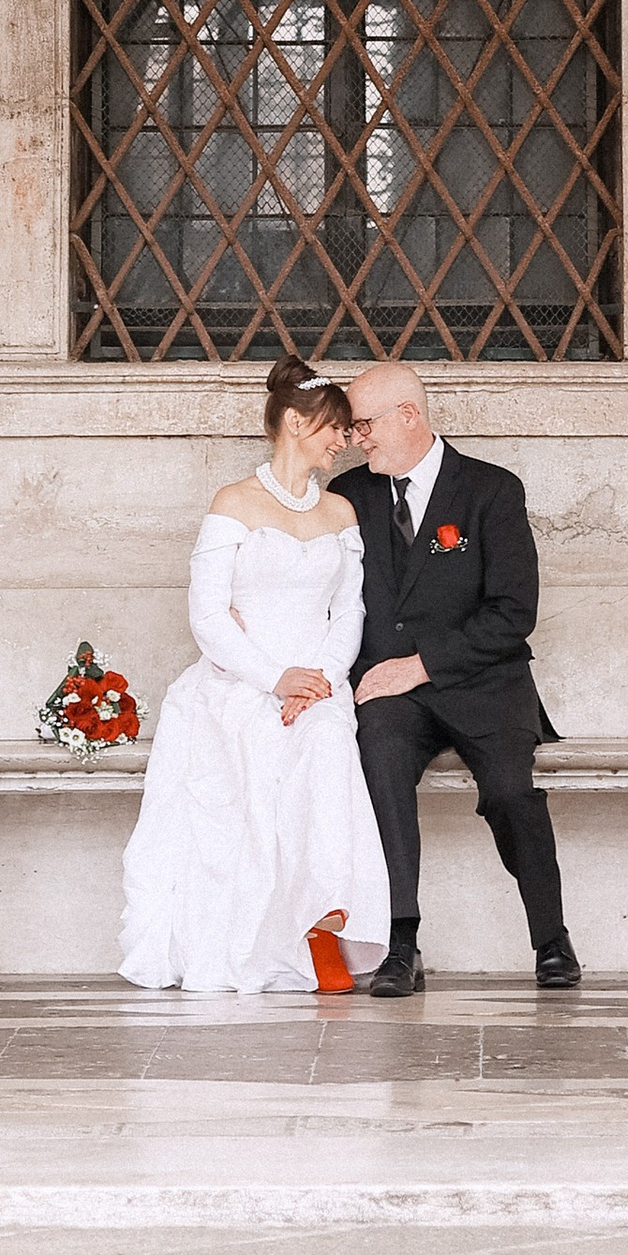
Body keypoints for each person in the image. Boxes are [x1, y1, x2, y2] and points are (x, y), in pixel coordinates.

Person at [119, 357, 392, 995]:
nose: (345, 440)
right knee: (251, 746)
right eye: (335, 428)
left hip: (316, 687)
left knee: (324, 741)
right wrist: (275, 679)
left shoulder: (342, 513)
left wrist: (318, 680)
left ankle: (320, 925)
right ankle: (246, 933)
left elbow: (348, 611)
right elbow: (208, 617)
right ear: (296, 423)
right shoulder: (233, 503)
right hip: (241, 678)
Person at [336, 361, 580, 997]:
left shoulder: (491, 490)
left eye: (365, 425)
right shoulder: (350, 496)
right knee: (378, 769)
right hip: (392, 694)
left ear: (407, 416)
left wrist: (420, 665)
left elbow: (513, 613)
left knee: (508, 791)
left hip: (482, 682)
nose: (357, 438)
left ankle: (551, 940)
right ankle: (400, 943)